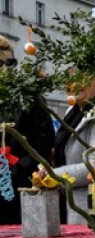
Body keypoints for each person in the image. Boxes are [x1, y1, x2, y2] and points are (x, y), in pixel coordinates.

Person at [53, 69, 95, 225]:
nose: (74, 83)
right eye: (69, 78)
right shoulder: (74, 111)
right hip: (73, 204)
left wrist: (54, 176)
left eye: (80, 76)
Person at [0, 36, 55, 225]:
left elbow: (44, 143)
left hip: (21, 188)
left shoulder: (29, 98)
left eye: (9, 63)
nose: (5, 69)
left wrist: (17, 168)